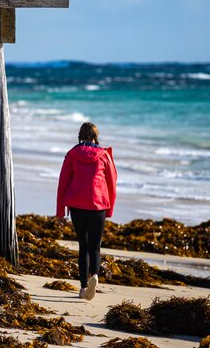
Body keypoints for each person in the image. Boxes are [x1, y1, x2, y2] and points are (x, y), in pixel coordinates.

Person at [56, 122, 117, 300]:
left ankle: (83, 288)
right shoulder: (104, 155)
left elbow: (63, 184)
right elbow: (112, 184)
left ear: (80, 136)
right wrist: (110, 210)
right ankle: (95, 276)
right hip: (98, 206)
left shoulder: (72, 155)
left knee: (83, 246)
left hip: (77, 207)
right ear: (96, 137)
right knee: (95, 247)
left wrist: (60, 212)